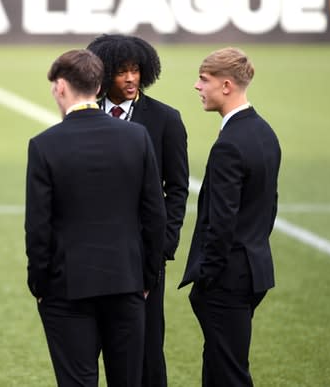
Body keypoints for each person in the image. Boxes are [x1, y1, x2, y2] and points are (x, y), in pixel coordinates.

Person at [25, 49, 167, 386]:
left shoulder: (45, 145)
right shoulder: (137, 137)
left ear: (61, 87)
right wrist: (146, 279)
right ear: (99, 84)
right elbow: (154, 215)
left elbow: (38, 227)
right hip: (126, 284)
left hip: (67, 289)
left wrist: (39, 285)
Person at [87, 34, 189, 387]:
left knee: (146, 353)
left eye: (136, 70)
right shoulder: (83, 118)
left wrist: (162, 247)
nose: (131, 79)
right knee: (89, 353)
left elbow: (177, 189)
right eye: (121, 71)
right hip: (92, 257)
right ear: (102, 74)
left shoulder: (165, 119)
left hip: (143, 258)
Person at [178, 47, 281, 386]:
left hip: (227, 280)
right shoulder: (265, 132)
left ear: (225, 86)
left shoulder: (229, 145)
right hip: (254, 270)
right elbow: (270, 205)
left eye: (203, 79)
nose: (197, 86)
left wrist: (207, 277)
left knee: (229, 374)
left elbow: (220, 222)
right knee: (220, 365)